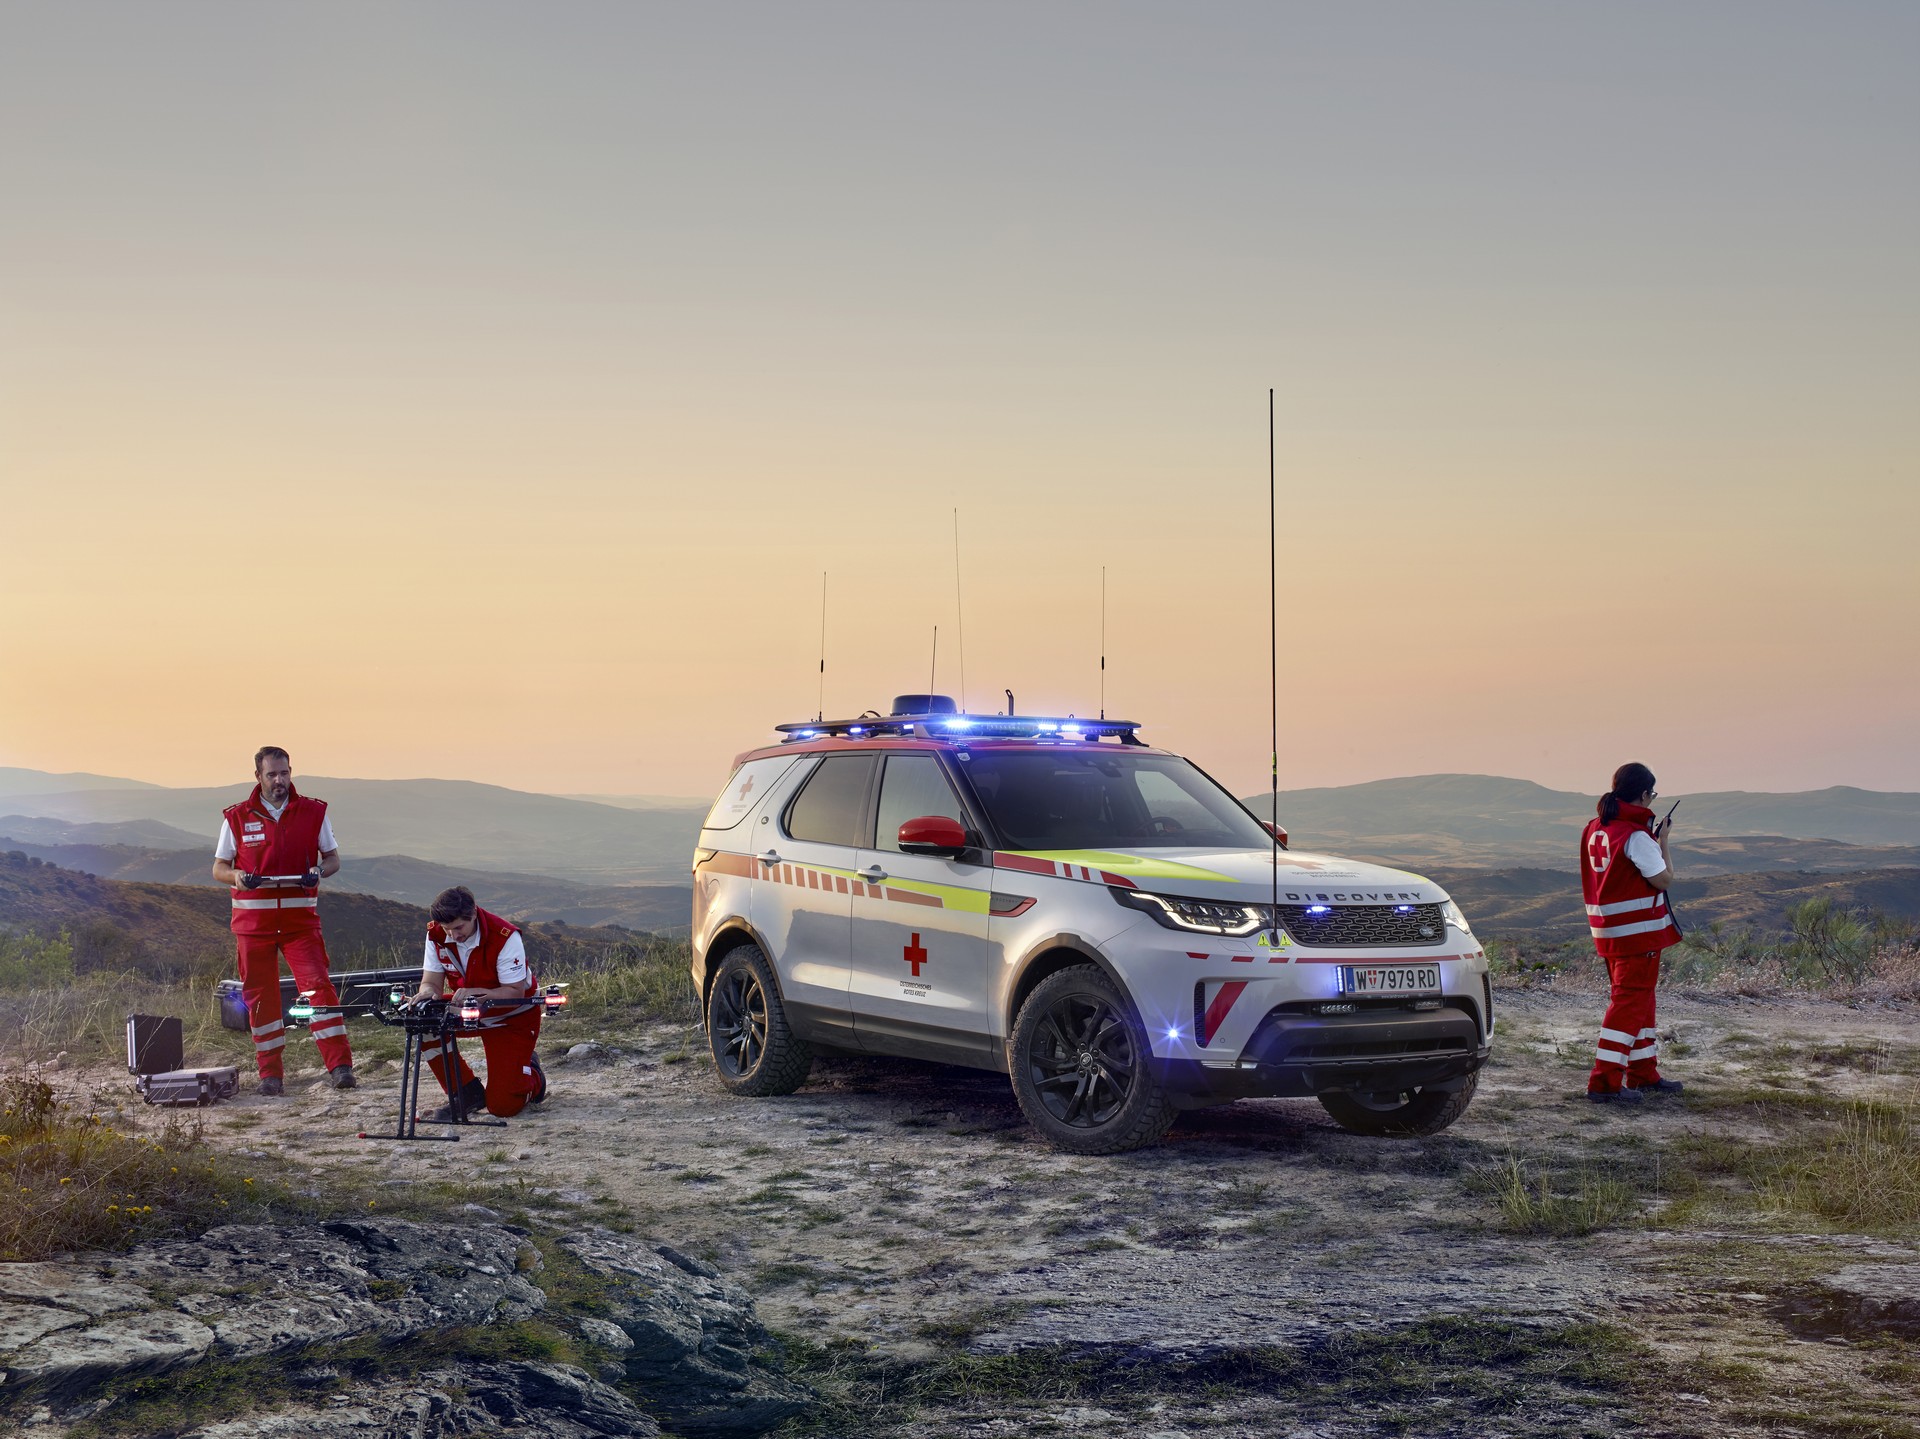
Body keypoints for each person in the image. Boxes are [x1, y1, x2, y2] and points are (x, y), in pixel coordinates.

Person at [211, 746, 355, 1095]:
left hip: (300, 925)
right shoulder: (237, 817)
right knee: (260, 998)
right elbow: (219, 868)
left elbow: (333, 860)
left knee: (319, 989)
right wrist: (237, 878)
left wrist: (318, 871)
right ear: (258, 777)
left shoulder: (314, 812)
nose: (280, 780)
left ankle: (340, 1068)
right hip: (253, 929)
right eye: (272, 774)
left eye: (285, 773)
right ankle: (270, 1076)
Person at [1580, 762, 1683, 1103]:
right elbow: (1664, 879)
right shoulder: (1636, 836)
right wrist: (1663, 841)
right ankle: (1604, 1082)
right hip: (1639, 935)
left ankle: (1642, 1073)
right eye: (1651, 794)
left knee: (1640, 1002)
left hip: (1609, 932)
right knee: (1628, 1004)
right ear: (1643, 794)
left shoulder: (1595, 827)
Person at [406, 886, 547, 1121]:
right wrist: (426, 994)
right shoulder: (436, 934)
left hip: (511, 1015)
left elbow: (515, 991)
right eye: (447, 929)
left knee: (503, 1106)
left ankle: (533, 1076)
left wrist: (476, 991)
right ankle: (465, 1093)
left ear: (472, 914)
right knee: (423, 1019)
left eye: (459, 927)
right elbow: (430, 982)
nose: (453, 935)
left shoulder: (505, 936)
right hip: (470, 1007)